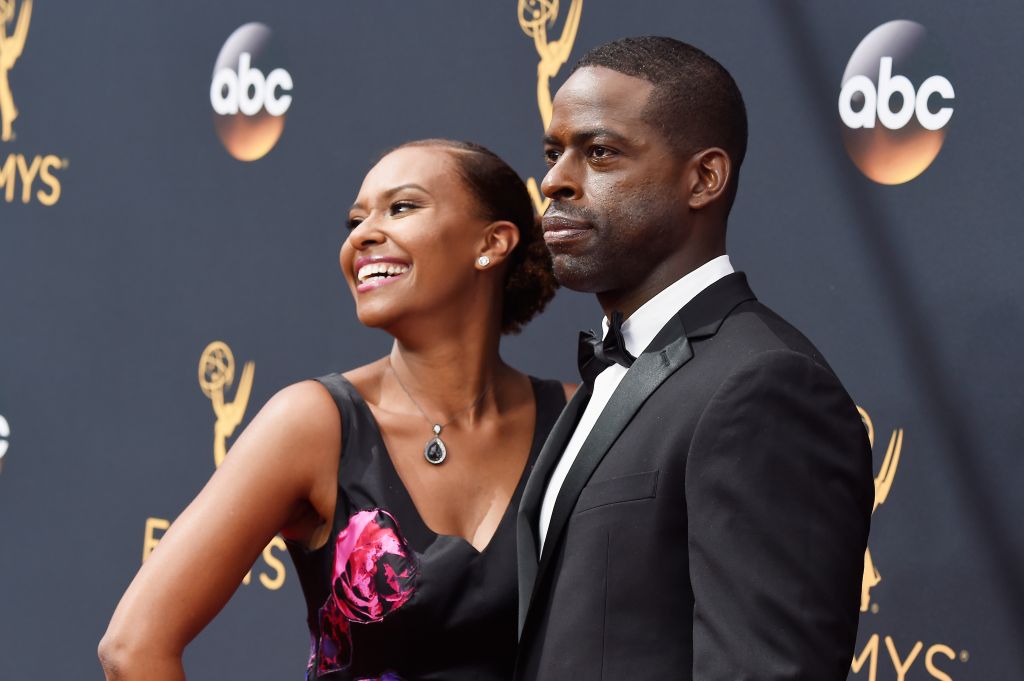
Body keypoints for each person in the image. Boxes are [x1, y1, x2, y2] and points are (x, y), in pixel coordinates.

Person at [99, 139, 572, 681]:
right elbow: (132, 648)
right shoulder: (313, 424)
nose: (363, 234)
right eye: (355, 219)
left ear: (493, 242)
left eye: (402, 207)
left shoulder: (580, 420)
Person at [514, 36, 874, 680]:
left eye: (599, 152)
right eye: (552, 152)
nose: (554, 180)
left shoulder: (764, 385)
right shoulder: (609, 375)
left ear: (703, 178)